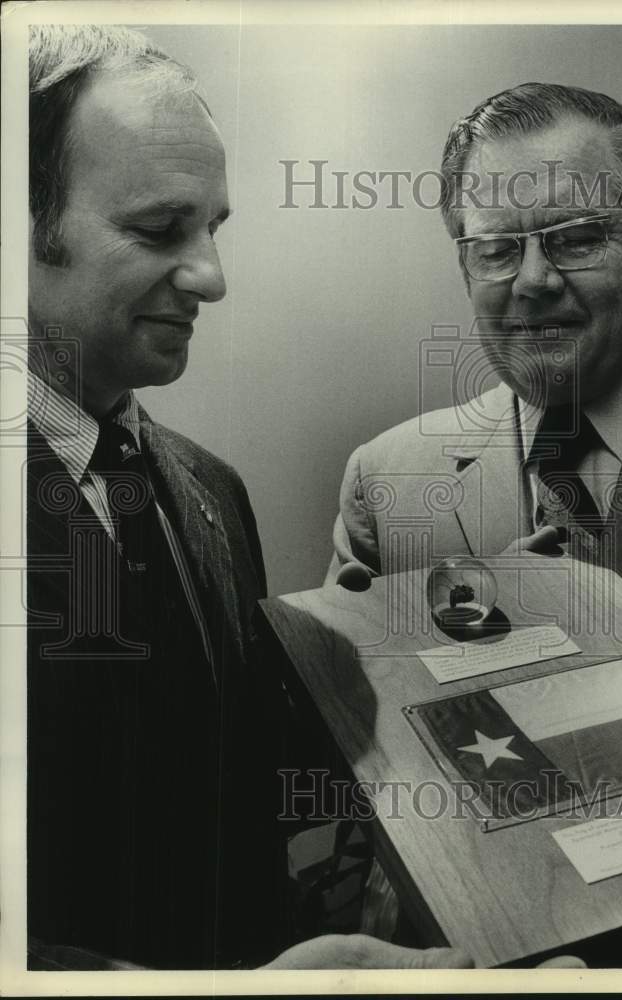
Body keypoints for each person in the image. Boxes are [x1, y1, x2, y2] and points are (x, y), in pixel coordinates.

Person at [25, 25, 475, 972]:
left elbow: (234, 793)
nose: (213, 279)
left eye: (214, 228)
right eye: (158, 230)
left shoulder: (214, 495)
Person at [330, 82, 622, 686]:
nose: (534, 281)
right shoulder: (386, 483)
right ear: (466, 269)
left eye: (578, 238)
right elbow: (351, 744)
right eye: (496, 250)